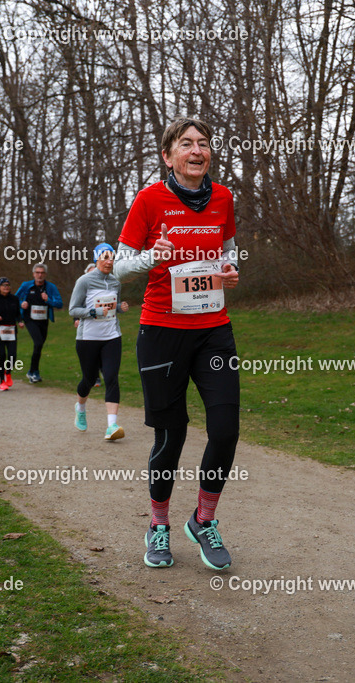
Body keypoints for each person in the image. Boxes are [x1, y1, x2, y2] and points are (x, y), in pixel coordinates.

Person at [114, 117, 241, 571]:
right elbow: (120, 267)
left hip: (213, 329)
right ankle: (158, 525)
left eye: (203, 144)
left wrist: (229, 271)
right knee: (173, 433)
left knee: (226, 428)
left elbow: (227, 248)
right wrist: (154, 257)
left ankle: (203, 520)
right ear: (168, 156)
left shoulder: (223, 197)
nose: (196, 150)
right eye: (186, 144)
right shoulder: (149, 200)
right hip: (162, 332)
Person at [68, 243, 129, 441]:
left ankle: (111, 425)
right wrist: (93, 312)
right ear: (96, 259)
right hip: (88, 338)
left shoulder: (115, 282)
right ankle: (81, 407)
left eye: (112, 258)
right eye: (105, 257)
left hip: (111, 336)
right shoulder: (84, 281)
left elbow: (113, 306)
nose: (109, 261)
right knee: (89, 379)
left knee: (111, 377)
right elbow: (73, 310)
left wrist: (120, 307)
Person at [15, 263, 62, 383]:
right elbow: (14, 299)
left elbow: (59, 303)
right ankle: (34, 372)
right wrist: (21, 303)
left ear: (45, 274)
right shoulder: (26, 285)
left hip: (43, 320)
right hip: (29, 319)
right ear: (33, 274)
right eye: (37, 272)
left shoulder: (50, 287)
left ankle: (32, 371)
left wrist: (48, 300)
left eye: (42, 273)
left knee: (39, 346)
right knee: (38, 342)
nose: (39, 275)